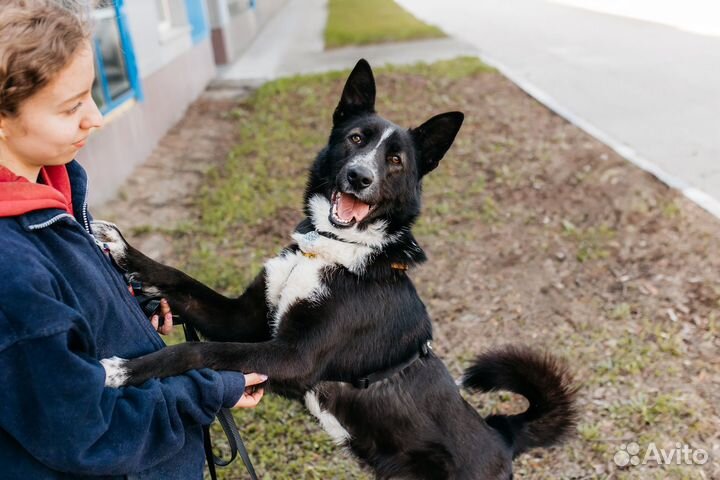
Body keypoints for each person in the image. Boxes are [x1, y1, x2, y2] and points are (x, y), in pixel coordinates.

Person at [0, 1, 265, 478]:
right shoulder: (9, 267)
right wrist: (207, 388)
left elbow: (68, 323)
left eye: (91, 95)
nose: (96, 117)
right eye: (71, 106)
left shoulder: (51, 187)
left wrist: (124, 311)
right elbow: (85, 430)